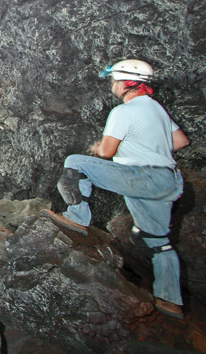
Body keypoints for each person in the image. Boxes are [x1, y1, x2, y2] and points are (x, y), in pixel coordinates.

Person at [43, 59, 190, 320]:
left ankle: (77, 219)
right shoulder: (156, 109)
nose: (112, 84)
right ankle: (170, 301)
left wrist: (98, 148)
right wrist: (144, 152)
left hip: (143, 177)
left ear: (125, 83)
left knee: (75, 164)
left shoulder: (124, 112)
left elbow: (107, 152)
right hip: (167, 180)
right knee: (158, 243)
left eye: (114, 80)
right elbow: (180, 141)